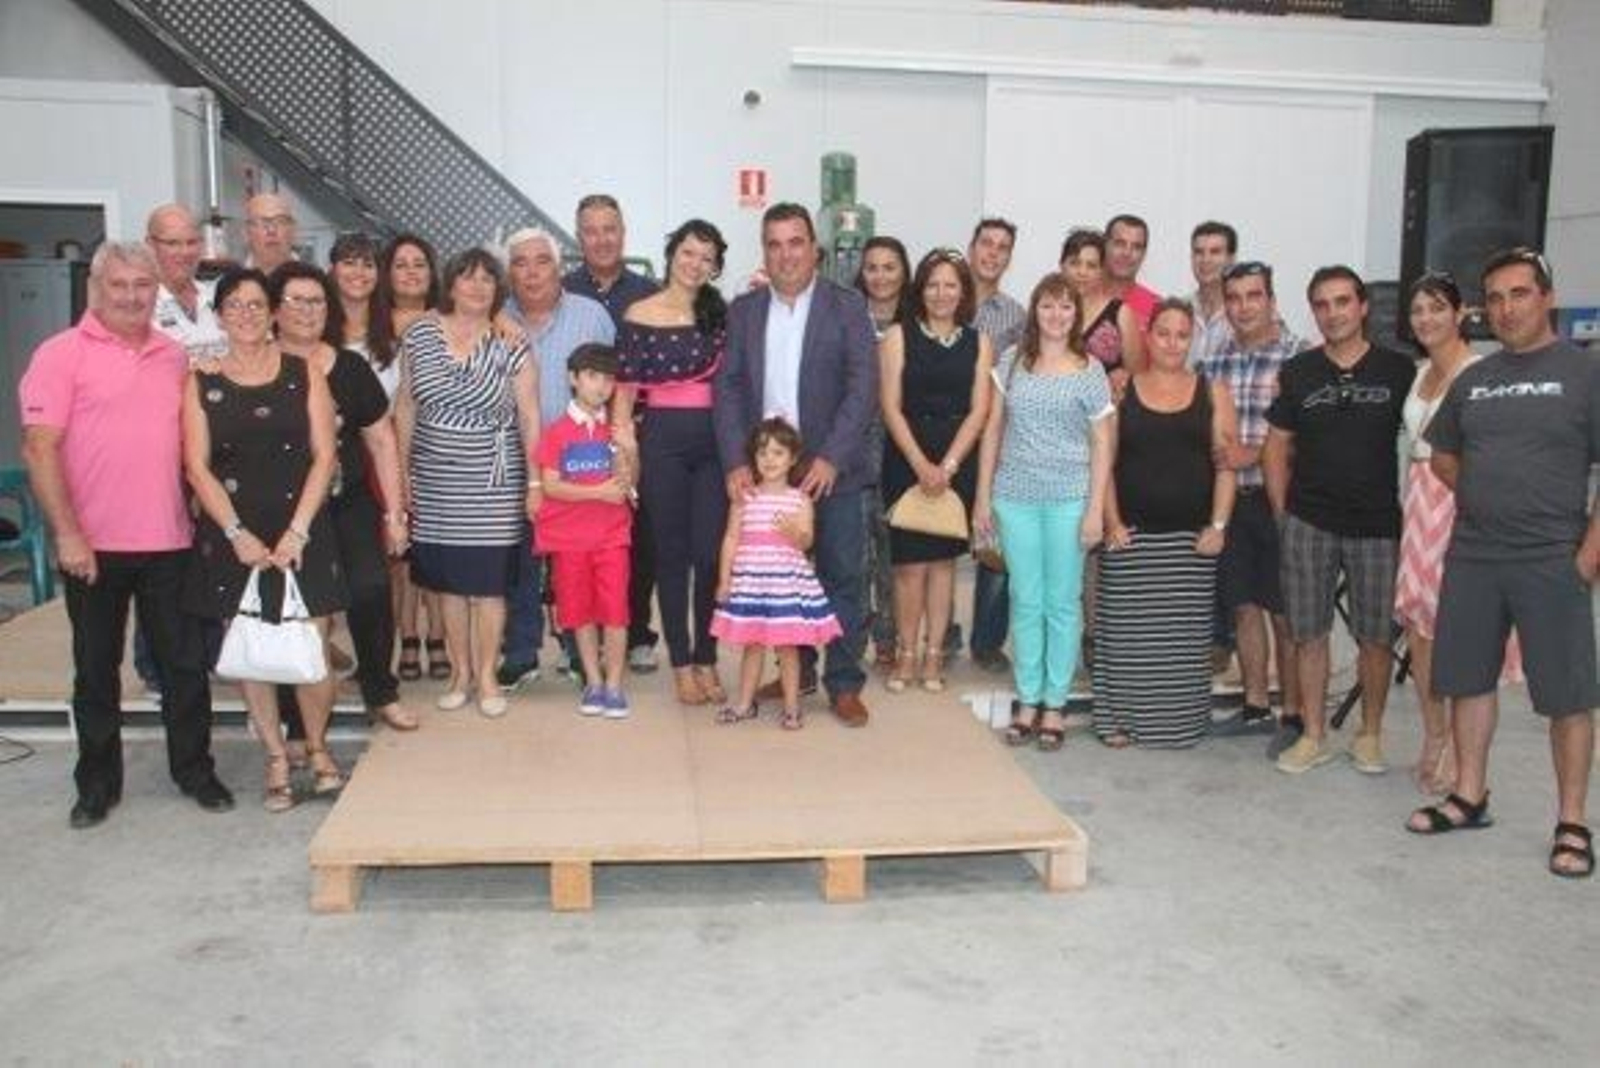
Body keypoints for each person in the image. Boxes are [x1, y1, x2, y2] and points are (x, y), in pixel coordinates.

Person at [20, 242, 234, 829]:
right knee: (96, 671)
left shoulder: (174, 356)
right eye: (120, 285)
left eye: (143, 285)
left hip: (170, 540)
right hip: (92, 546)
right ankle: (96, 786)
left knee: (184, 666)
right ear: (97, 287)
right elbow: (39, 449)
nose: (132, 296)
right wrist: (68, 534)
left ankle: (195, 771)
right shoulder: (59, 355)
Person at [1408, 248, 1597, 880]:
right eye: (1495, 297)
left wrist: (1588, 557)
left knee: (1567, 695)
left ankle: (1572, 821)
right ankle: (1469, 795)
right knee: (1468, 680)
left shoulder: (1584, 372)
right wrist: (1487, 494)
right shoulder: (1476, 378)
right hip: (1475, 554)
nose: (1506, 308)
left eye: (1519, 294)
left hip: (1551, 558)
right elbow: (1441, 455)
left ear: (1547, 297)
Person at [181, 267, 345, 811]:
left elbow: (325, 454)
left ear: (273, 312)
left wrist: (298, 530)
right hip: (235, 534)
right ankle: (275, 755)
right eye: (235, 305)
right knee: (251, 644)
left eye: (256, 304)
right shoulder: (200, 380)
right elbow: (196, 466)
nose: (246, 315)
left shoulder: (304, 372)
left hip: (304, 528)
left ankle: (316, 747)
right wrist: (236, 534)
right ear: (219, 316)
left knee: (313, 645)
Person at [715, 202, 879, 727]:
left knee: (841, 575)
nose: (786, 254)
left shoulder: (847, 306)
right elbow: (728, 388)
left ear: (815, 249)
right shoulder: (744, 311)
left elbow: (863, 386)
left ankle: (844, 683)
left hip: (832, 468)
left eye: (795, 242)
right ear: (764, 252)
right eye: (775, 244)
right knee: (780, 579)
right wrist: (736, 461)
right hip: (768, 473)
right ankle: (797, 672)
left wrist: (832, 456)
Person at [1263, 266, 1415, 775]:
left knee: (1376, 636)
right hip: (1310, 520)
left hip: (1377, 525)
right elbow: (1276, 446)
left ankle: (1370, 735)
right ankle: (1314, 734)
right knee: (1309, 633)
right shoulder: (1299, 371)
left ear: (1363, 306)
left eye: (1343, 302)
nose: (1333, 313)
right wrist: (1284, 514)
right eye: (1323, 305)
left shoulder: (1399, 371)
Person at [394, 248, 540, 719]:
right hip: (435, 479)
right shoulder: (419, 335)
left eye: (487, 279)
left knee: (489, 585)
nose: (477, 286)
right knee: (450, 585)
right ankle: (459, 674)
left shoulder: (511, 340)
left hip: (494, 479)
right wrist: (401, 473)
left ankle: (488, 676)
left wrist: (535, 481)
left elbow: (529, 415)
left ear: (498, 289)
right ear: (451, 284)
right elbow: (406, 406)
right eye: (468, 277)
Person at [268, 261, 414, 733]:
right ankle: (295, 720)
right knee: (292, 610)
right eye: (296, 300)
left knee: (371, 588)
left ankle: (380, 691)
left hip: (347, 502)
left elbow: (382, 441)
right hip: (281, 510)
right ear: (274, 310)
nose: (308, 310)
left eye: (316, 301)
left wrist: (395, 514)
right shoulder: (258, 367)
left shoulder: (349, 367)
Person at [973, 272, 1111, 752]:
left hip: (1070, 499)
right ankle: (1028, 699)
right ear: (1035, 311)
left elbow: (1102, 443)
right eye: (1048, 305)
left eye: (1066, 306)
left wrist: (1096, 510)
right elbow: (993, 429)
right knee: (1026, 599)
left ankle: (1055, 703)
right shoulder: (1013, 361)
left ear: (1076, 314)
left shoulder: (1090, 369)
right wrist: (982, 497)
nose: (1056, 315)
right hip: (1015, 498)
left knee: (1063, 603)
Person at [1095, 299, 1237, 748]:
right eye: (1163, 333)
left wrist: (1218, 527)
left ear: (1191, 339)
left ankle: (1178, 723)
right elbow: (1105, 464)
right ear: (1147, 336)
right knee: (1125, 638)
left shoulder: (1213, 392)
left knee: (1181, 643)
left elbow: (1227, 467)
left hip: (1190, 544)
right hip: (1131, 539)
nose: (1172, 343)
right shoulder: (1120, 391)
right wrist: (1112, 522)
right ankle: (1118, 720)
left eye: (1182, 335)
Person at [614, 219, 729, 706]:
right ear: (671, 254)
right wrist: (625, 457)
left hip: (716, 444)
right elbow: (623, 397)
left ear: (716, 267)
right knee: (671, 556)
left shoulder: (720, 314)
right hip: (661, 442)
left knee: (710, 555)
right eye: (688, 253)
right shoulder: (639, 313)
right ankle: (681, 663)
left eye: (707, 258)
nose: (695, 264)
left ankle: (707, 656)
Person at [498, 227, 616, 691]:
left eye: (541, 261)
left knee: (577, 561)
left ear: (559, 267)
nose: (531, 272)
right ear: (509, 273)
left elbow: (614, 381)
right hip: (514, 459)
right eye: (520, 263)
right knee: (519, 559)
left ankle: (576, 650)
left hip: (581, 462)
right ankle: (520, 652)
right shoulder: (494, 318)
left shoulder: (592, 316)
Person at [1200, 261, 1306, 753]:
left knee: (1283, 612)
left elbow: (1312, 433)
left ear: (1271, 300)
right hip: (1230, 502)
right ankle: (1256, 707)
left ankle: (1294, 714)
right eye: (1235, 297)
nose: (1244, 306)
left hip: (1280, 500)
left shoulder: (1299, 357)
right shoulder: (1213, 362)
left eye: (1254, 295)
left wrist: (1256, 454)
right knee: (1243, 606)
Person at [878, 248, 994, 694]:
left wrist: (947, 466)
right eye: (933, 284)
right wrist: (920, 464)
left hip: (955, 460)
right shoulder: (897, 336)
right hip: (906, 455)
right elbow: (890, 406)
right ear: (920, 289)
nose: (941, 293)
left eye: (950, 285)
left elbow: (979, 410)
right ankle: (906, 652)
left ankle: (933, 653)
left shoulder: (979, 342)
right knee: (909, 566)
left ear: (963, 292)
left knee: (943, 564)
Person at [1393, 272, 1488, 794]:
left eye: (1436, 307)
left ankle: (1459, 744)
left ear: (1460, 313)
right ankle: (1433, 734)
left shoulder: (1479, 372)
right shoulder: (1419, 372)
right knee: (1419, 628)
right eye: (1418, 310)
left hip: (1459, 500)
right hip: (1418, 501)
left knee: (1458, 628)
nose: (1426, 318)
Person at [563, 193, 663, 674]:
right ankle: (578, 639)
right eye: (591, 230)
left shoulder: (650, 293)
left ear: (623, 233)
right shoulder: (562, 290)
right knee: (577, 540)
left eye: (610, 229)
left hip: (638, 432)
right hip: (577, 436)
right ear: (579, 237)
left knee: (638, 538)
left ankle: (637, 632)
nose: (601, 239)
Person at [711, 417, 843, 730]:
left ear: (793, 458)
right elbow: (731, 538)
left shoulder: (800, 500)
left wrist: (794, 531)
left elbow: (807, 541)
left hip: (785, 587)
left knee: (788, 648)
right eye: (762, 452)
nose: (769, 459)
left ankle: (792, 707)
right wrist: (725, 579)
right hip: (752, 584)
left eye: (778, 453)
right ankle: (744, 703)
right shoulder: (744, 498)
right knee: (753, 645)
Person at [535, 343, 634, 719]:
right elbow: (551, 485)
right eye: (593, 376)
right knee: (579, 614)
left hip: (612, 537)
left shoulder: (616, 430)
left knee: (616, 613)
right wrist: (597, 493)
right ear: (573, 379)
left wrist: (630, 450)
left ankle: (614, 685)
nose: (601, 385)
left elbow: (630, 482)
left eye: (608, 379)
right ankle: (593, 681)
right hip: (569, 542)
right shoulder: (556, 432)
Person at [380, 233, 448, 684]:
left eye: (419, 264)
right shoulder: (371, 322)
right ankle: (406, 636)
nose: (410, 272)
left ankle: (438, 636)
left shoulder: (448, 319)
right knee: (398, 554)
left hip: (438, 445)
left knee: (435, 548)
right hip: (384, 445)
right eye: (401, 264)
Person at [967, 218, 1028, 677]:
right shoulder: (941, 294)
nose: (992, 253)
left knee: (993, 541)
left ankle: (986, 641)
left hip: (992, 435)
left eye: (1002, 247)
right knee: (933, 541)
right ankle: (936, 630)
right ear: (972, 247)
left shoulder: (1016, 316)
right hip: (939, 432)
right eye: (986, 243)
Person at [853, 236, 914, 672]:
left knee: (893, 552)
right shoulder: (846, 315)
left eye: (889, 267)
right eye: (872, 267)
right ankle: (853, 638)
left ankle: (890, 639)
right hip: (855, 445)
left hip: (901, 445)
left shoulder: (917, 321)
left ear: (904, 272)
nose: (880, 276)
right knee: (856, 555)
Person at [1060, 228, 1145, 396]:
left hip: (1107, 410)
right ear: (1062, 266)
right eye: (1075, 263)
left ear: (1102, 271)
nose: (1082, 272)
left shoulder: (1120, 314)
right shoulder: (1047, 312)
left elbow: (1138, 378)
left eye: (1091, 266)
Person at [146, 203, 227, 365]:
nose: (184, 252)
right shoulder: (140, 306)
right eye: (172, 243)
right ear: (150, 245)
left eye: (192, 242)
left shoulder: (218, 295)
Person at [329, 231, 398, 397]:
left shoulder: (396, 327)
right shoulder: (314, 327)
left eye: (368, 265)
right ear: (333, 270)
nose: (359, 272)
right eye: (349, 263)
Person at [1185, 221, 1238, 370]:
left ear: (1231, 259)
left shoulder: (1247, 314)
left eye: (1215, 252)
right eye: (1199, 252)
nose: (1205, 260)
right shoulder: (1179, 309)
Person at [1103, 213, 1160, 327]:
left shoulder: (1157, 308)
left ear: (1144, 254)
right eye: (1119, 244)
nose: (1127, 253)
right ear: (1104, 245)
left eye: (1136, 247)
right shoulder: (1080, 298)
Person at [243, 192, 298, 275]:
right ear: (246, 233)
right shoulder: (231, 281)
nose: (271, 230)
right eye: (262, 222)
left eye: (280, 221)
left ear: (293, 230)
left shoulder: (315, 281)